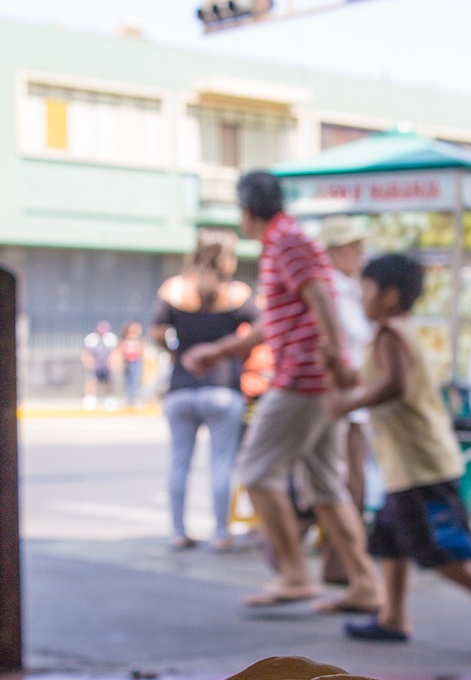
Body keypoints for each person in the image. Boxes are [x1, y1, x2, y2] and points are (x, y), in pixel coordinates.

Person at [182, 171, 380, 612]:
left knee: (255, 471)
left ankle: (294, 574)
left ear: (247, 211)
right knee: (327, 486)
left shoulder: (286, 241)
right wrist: (221, 351)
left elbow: (320, 301)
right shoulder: (285, 242)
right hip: (314, 377)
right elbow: (281, 320)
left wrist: (339, 362)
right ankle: (365, 583)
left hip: (303, 379)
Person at [328, 253, 471, 653]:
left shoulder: (391, 334)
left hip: (419, 463)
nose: (361, 296)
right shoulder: (391, 333)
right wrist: (336, 371)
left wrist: (347, 404)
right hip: (406, 463)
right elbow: (368, 378)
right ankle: (392, 618)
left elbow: (394, 385)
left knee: (431, 546)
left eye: (367, 288)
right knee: (390, 540)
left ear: (391, 296)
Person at [149, 228, 259, 552]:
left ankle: (178, 531)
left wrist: (177, 354)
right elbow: (259, 329)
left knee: (179, 462)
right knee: (221, 463)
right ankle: (221, 533)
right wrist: (236, 352)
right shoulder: (237, 293)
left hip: (181, 388)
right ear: (223, 257)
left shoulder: (173, 289)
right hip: (222, 389)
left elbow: (156, 332)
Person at [318, 215, 374, 585]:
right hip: (337, 404)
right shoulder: (329, 291)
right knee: (339, 486)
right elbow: (332, 349)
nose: (359, 254)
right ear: (337, 251)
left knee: (351, 486)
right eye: (353, 247)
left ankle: (344, 567)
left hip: (355, 405)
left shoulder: (351, 289)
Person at [81, 320, 118, 410]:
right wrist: (88, 363)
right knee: (92, 381)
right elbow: (87, 353)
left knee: (109, 383)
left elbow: (114, 353)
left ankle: (109, 401)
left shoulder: (110, 339)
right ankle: (90, 400)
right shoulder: (91, 339)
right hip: (96, 364)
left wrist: (114, 363)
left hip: (106, 365)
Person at [119, 320, 145, 407]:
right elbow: (121, 350)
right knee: (128, 380)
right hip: (127, 362)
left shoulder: (139, 339)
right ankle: (129, 398)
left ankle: (134, 399)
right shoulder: (125, 339)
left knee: (135, 380)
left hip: (136, 361)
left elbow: (142, 351)